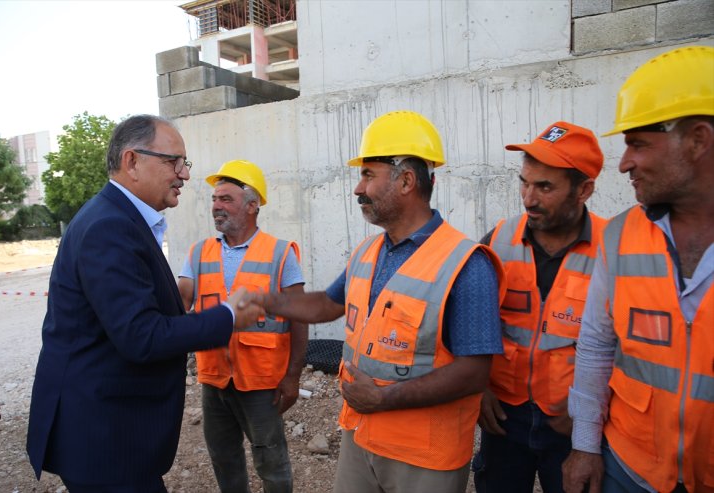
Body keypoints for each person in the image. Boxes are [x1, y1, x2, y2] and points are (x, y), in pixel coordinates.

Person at [261, 110, 505, 493]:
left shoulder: (466, 264)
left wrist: (383, 398)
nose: (358, 188)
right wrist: (266, 301)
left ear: (406, 180)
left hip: (423, 458)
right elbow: (327, 304)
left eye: (368, 175)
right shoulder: (369, 251)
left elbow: (474, 371)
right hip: (361, 437)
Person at [26, 114, 264, 492]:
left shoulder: (119, 218)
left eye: (184, 163)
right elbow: (142, 335)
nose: (184, 174)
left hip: (112, 432)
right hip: (104, 439)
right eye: (174, 161)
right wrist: (229, 315)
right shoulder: (109, 226)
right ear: (132, 162)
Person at [562, 45, 714, 493]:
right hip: (629, 470)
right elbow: (595, 345)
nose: (625, 162)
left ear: (698, 140)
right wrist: (586, 446)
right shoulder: (621, 236)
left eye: (638, 144)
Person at [472, 121, 607, 493]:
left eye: (544, 187)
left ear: (584, 190)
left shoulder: (615, 250)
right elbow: (468, 322)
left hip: (572, 429)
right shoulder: (498, 240)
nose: (528, 198)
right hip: (503, 419)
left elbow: (630, 346)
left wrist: (590, 417)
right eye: (524, 182)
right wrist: (478, 388)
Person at [177, 160, 307, 493]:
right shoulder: (199, 252)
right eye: (214, 199)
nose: (216, 206)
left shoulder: (279, 253)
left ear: (252, 205)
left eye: (226, 199)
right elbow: (178, 303)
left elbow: (299, 317)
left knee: (272, 460)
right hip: (214, 378)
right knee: (223, 457)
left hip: (261, 380)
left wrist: (292, 376)